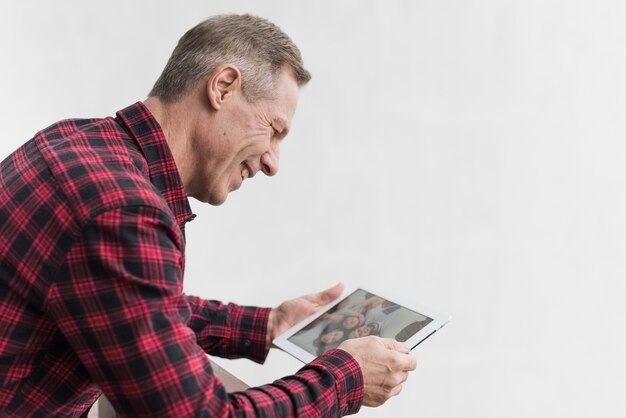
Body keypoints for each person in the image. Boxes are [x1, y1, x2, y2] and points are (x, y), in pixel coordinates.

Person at [0, 14, 416, 417]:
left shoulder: (76, 141)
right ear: (223, 87)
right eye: (273, 129)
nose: (273, 162)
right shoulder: (124, 210)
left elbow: (135, 305)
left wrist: (270, 325)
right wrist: (345, 378)